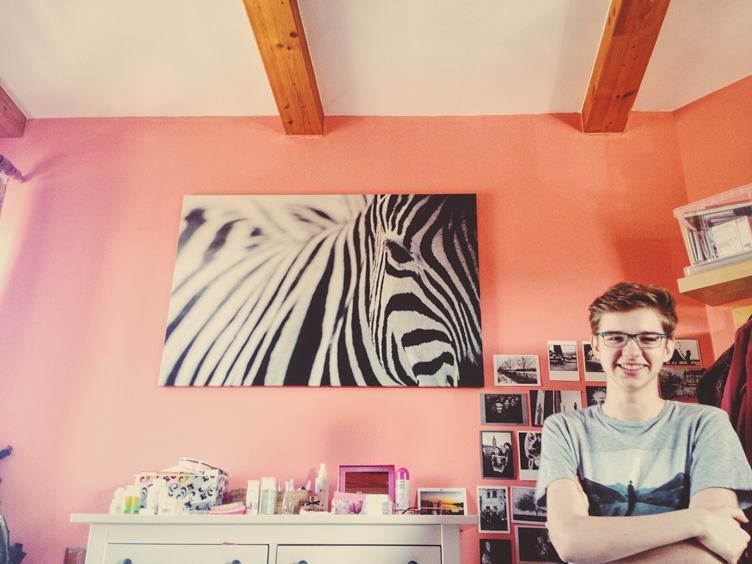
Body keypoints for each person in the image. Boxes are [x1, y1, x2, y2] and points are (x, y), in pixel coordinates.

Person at [535, 281, 752, 563]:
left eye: (648, 338)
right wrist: (698, 520)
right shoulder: (564, 428)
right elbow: (570, 543)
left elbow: (712, 556)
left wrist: (594, 541)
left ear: (668, 347)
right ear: (596, 346)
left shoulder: (708, 424)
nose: (632, 352)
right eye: (615, 338)